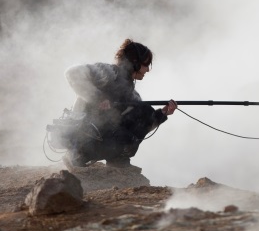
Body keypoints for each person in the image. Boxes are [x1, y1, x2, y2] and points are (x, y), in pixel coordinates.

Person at [62, 38, 177, 168]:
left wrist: (162, 114)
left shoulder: (132, 95)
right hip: (81, 136)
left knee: (144, 112)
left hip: (100, 139)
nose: (148, 70)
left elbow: (143, 126)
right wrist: (98, 98)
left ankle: (117, 161)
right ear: (136, 63)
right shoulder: (108, 72)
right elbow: (72, 73)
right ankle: (77, 155)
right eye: (146, 64)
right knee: (142, 111)